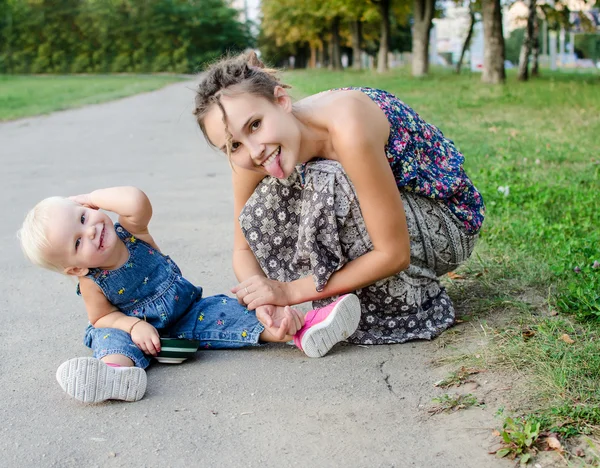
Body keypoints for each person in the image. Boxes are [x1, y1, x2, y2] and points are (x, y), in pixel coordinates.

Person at [193, 52, 485, 345]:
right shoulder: (254, 154)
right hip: (388, 221)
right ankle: (340, 303)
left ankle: (407, 305)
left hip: (446, 223)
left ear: (281, 101)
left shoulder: (348, 127)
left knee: (328, 178)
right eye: (233, 145)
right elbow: (243, 250)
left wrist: (290, 291)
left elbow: (394, 254)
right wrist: (266, 301)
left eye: (255, 124)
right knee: (266, 198)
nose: (254, 149)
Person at [17, 186, 361, 403]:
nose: (90, 230)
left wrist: (91, 199)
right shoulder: (92, 281)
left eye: (83, 217)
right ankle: (115, 374)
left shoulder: (131, 233)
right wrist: (134, 327)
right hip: (137, 334)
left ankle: (299, 328)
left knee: (231, 311)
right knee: (108, 338)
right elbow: (102, 317)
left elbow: (136, 201)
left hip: (187, 313)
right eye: (77, 241)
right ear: (75, 269)